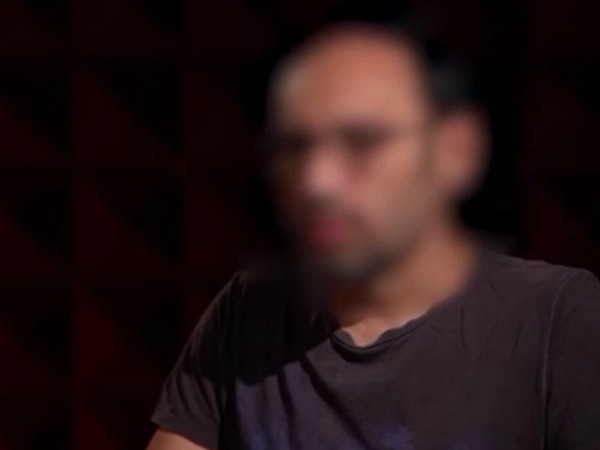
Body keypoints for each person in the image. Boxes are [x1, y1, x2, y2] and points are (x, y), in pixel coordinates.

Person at [146, 20, 600, 450]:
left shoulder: (556, 315)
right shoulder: (249, 309)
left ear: (455, 149)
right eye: (296, 146)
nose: (316, 182)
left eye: (361, 141)